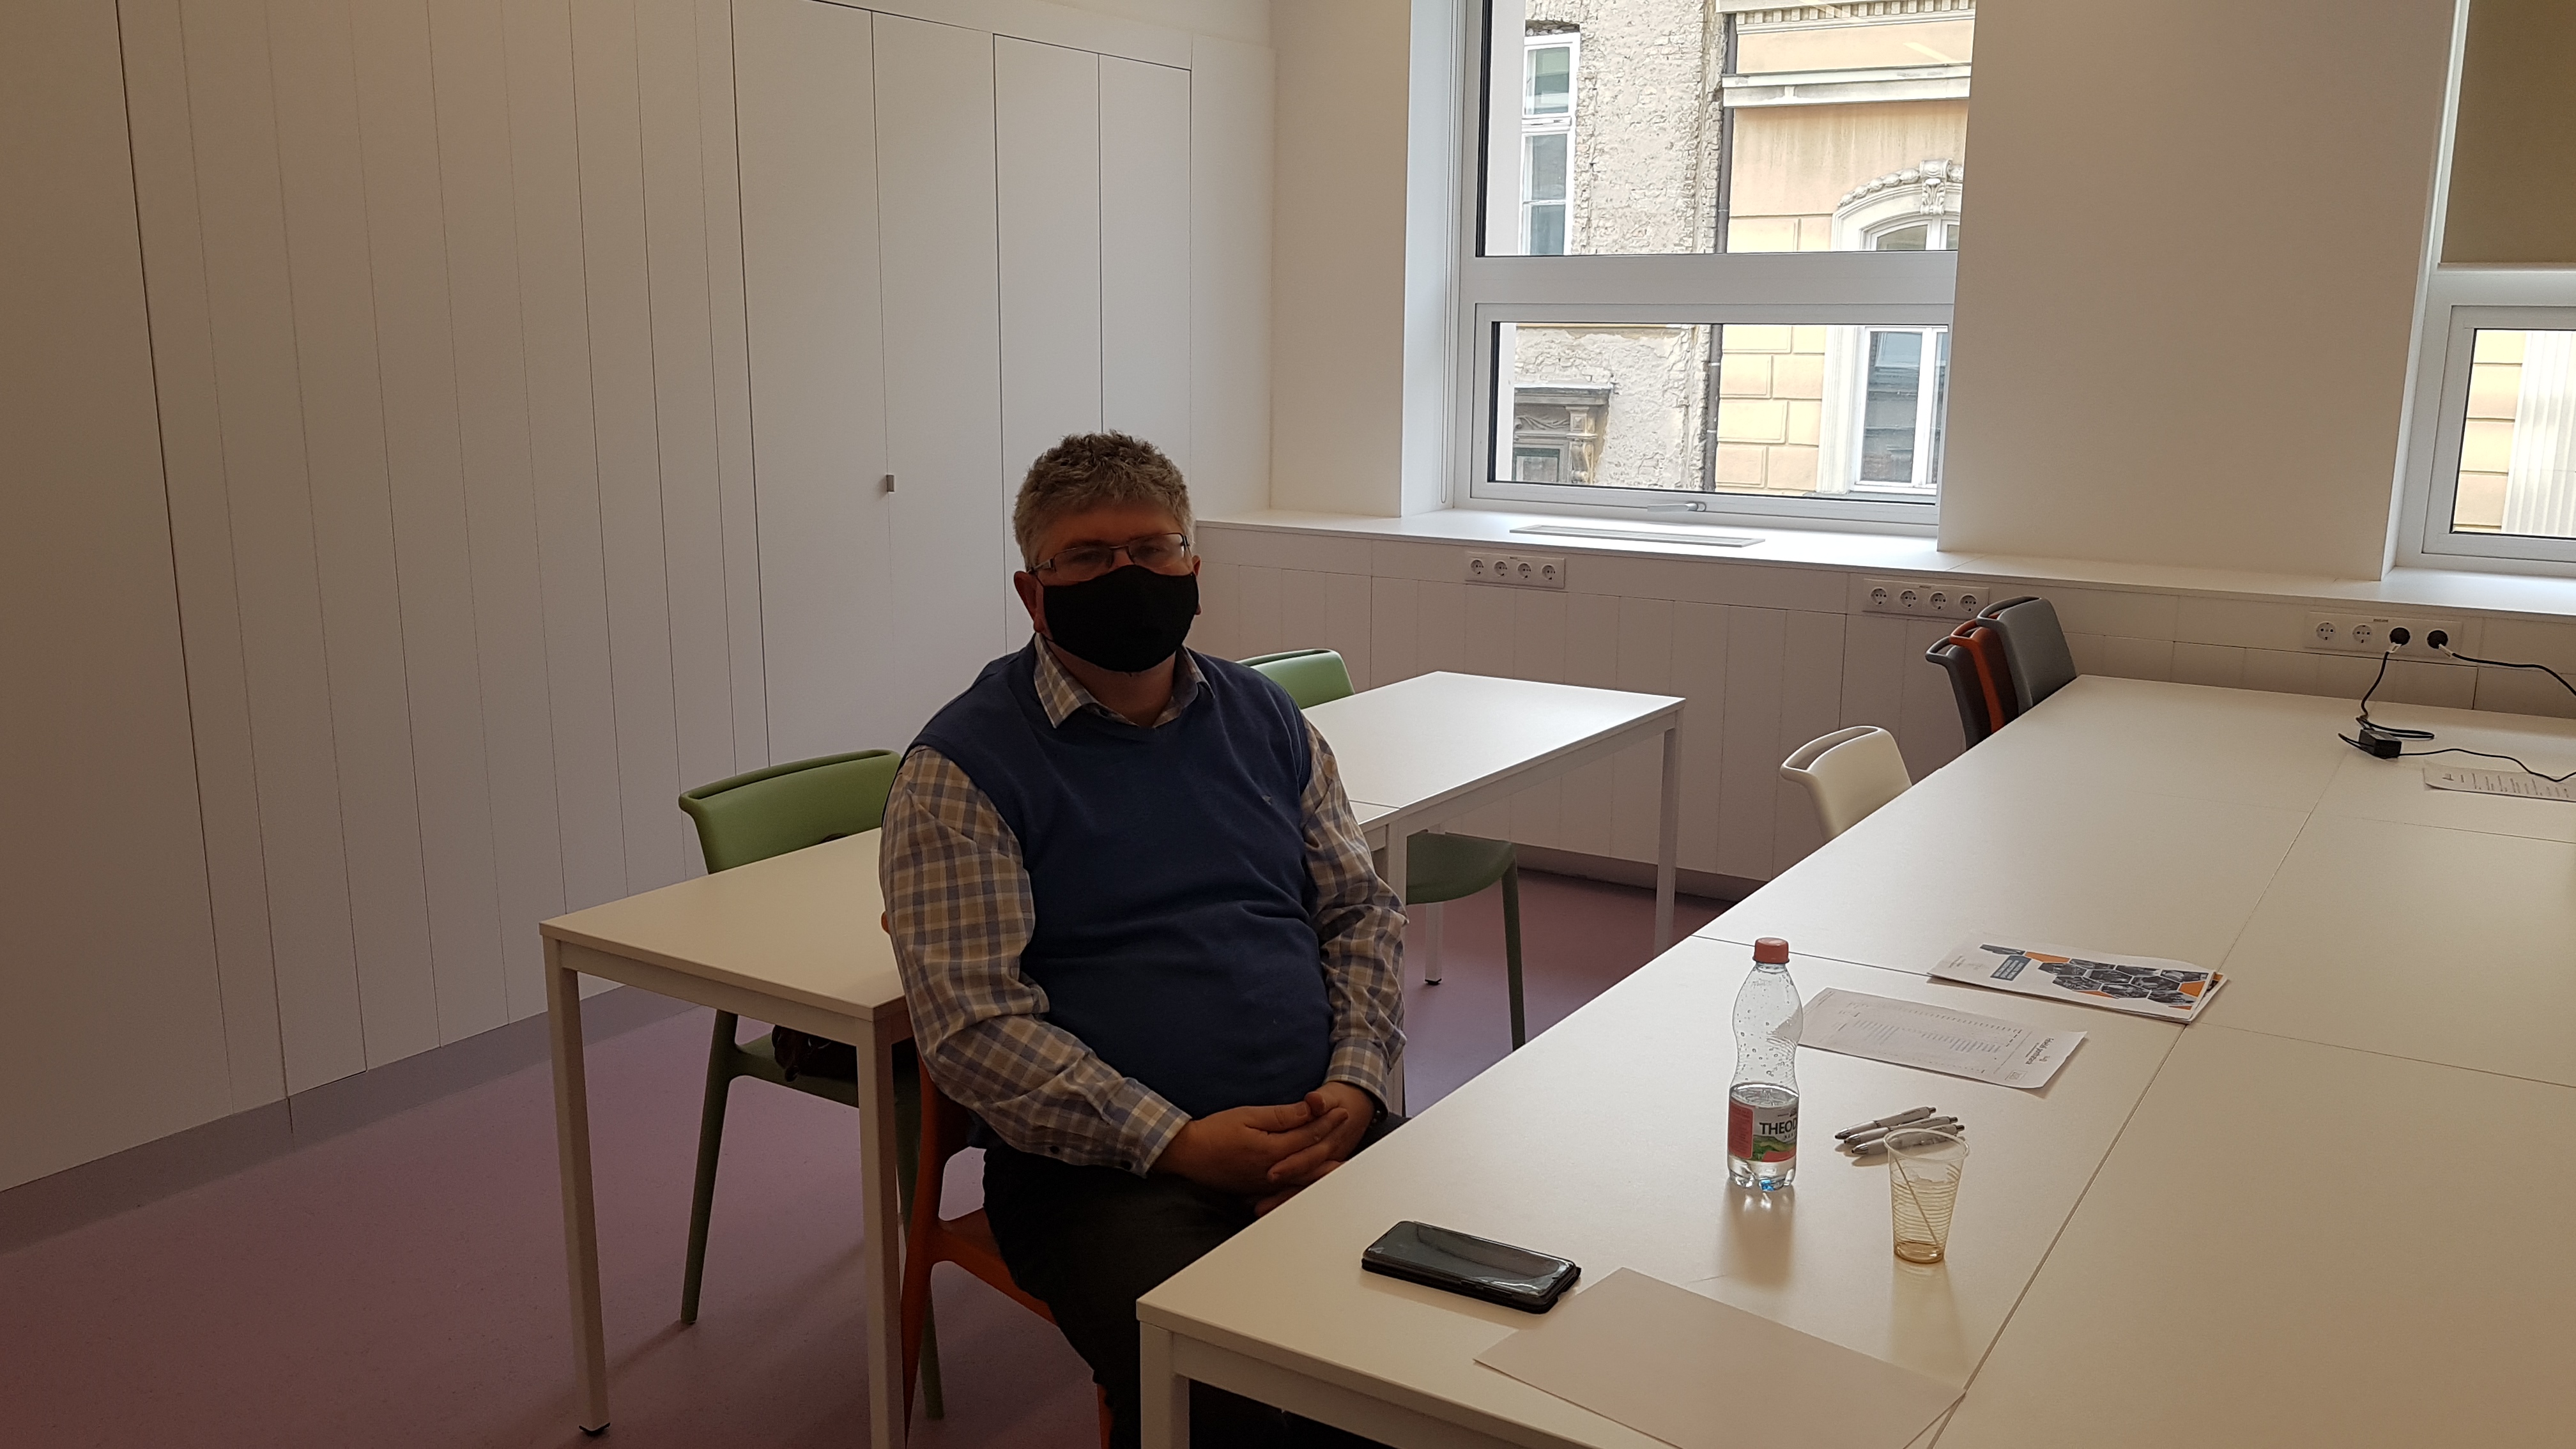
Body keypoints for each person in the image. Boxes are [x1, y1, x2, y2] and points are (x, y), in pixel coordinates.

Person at [879, 431, 1405, 1448]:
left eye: (1153, 549)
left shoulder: (1267, 719)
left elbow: (1358, 914)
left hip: (1326, 1124)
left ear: (1192, 566)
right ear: (1033, 594)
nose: (1127, 575)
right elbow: (974, 1029)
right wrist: (1178, 1143)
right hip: (1105, 1175)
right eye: (1087, 558)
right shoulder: (963, 769)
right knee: (1230, 1397)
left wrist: (1357, 1083)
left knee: (1450, 1352)